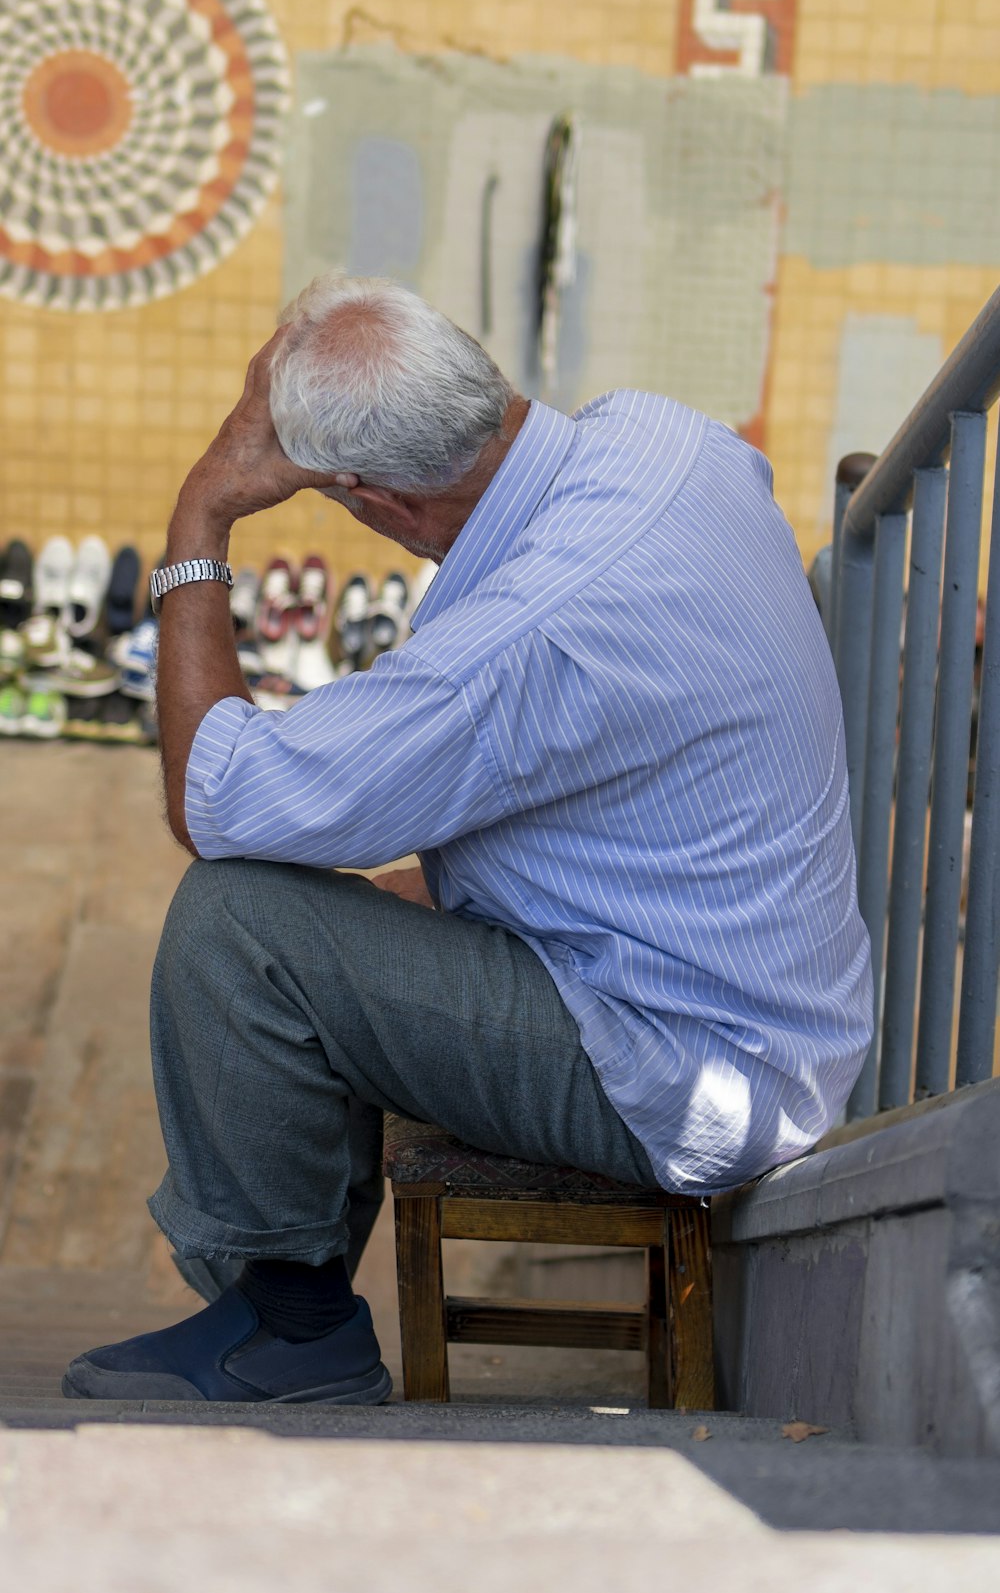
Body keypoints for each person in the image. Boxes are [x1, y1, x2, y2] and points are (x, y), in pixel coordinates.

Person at [63, 273, 873, 1404]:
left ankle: (293, 1328)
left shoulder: (514, 648)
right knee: (363, 900)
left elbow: (215, 799)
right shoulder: (665, 437)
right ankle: (279, 1303)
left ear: (373, 502)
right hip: (767, 1004)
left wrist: (201, 516)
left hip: (686, 1064)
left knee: (241, 919)